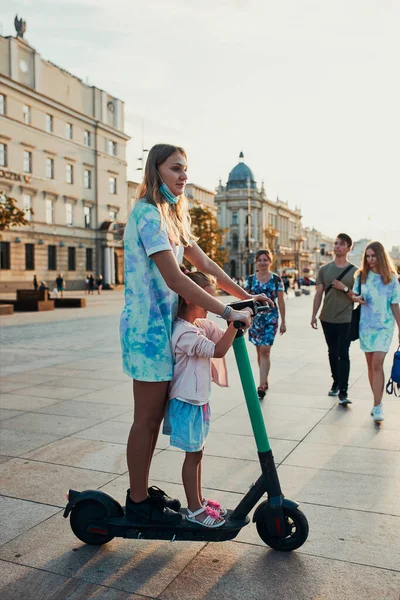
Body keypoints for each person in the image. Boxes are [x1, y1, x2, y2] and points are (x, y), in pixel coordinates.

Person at [120, 143, 271, 526]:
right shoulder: (148, 215)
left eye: (185, 169)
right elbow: (175, 278)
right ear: (156, 171)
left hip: (165, 325)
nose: (183, 176)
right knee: (147, 418)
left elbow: (202, 263)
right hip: (147, 331)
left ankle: (142, 495)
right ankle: (137, 502)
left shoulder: (170, 217)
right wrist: (226, 310)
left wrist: (244, 295)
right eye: (175, 169)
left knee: (154, 417)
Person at [163, 269, 240, 528]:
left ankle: (199, 499)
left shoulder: (200, 325)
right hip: (186, 403)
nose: (211, 306)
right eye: (206, 300)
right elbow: (218, 349)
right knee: (192, 455)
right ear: (188, 297)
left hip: (199, 401)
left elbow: (222, 337)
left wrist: (237, 321)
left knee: (199, 453)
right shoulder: (184, 333)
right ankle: (195, 509)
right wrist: (234, 324)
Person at [334, 241, 400, 422]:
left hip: (384, 327)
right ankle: (376, 401)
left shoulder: (392, 279)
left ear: (381, 256)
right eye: (368, 256)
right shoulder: (361, 276)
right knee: (371, 367)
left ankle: (378, 406)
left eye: (373, 256)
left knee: (378, 364)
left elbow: (395, 305)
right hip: (366, 326)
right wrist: (358, 298)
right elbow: (354, 296)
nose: (370, 260)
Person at [311, 234, 357, 405]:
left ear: (348, 248)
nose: (337, 246)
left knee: (343, 353)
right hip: (327, 317)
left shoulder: (355, 271)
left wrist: (344, 288)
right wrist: (314, 315)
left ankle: (343, 391)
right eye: (336, 243)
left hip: (346, 318)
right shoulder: (325, 269)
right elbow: (318, 294)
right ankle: (336, 381)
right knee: (332, 352)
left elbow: (358, 297)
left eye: (341, 244)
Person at [243, 249, 286, 399]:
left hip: (270, 319)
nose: (262, 262)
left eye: (265, 260)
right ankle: (264, 379)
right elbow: (244, 299)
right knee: (259, 351)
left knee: (265, 351)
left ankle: (261, 385)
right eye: (260, 260)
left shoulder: (276, 279)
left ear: (270, 261)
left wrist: (283, 322)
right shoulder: (249, 280)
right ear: (256, 262)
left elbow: (280, 300)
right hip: (255, 319)